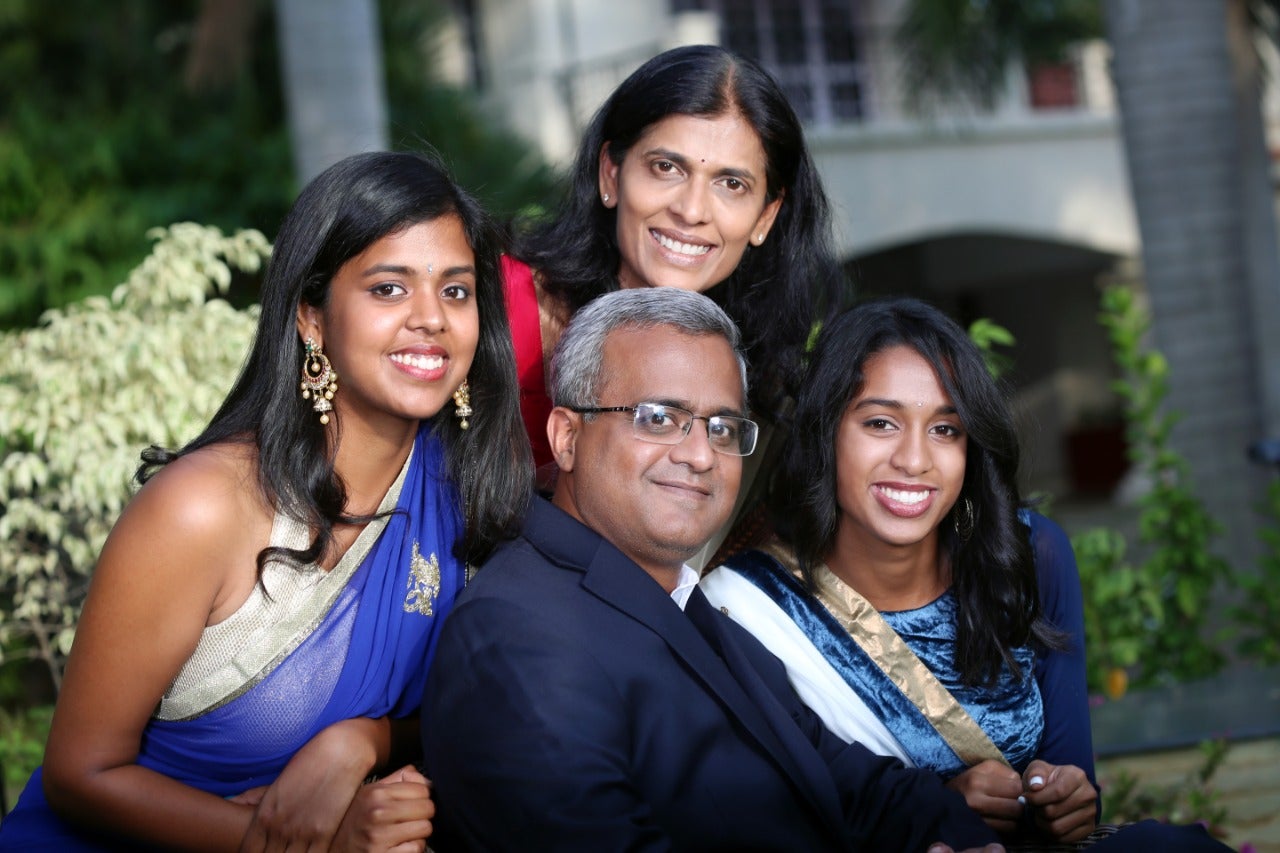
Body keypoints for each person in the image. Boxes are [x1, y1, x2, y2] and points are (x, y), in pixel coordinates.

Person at [0, 151, 531, 851]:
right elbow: (82, 772)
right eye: (388, 288)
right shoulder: (203, 508)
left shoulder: (467, 488)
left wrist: (363, 739)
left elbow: (473, 702)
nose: (431, 318)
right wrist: (316, 845)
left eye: (456, 291)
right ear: (312, 316)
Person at [421, 288, 1001, 852]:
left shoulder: (679, 597)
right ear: (566, 437)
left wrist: (957, 834)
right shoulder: (516, 633)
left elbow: (842, 781)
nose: (700, 456)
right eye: (658, 418)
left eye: (722, 428)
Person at [701, 296, 1233, 851]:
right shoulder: (747, 609)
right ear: (826, 433)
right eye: (881, 423)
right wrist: (936, 809)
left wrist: (1066, 798)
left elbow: (1076, 789)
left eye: (946, 430)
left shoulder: (1025, 555)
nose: (914, 460)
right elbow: (771, 821)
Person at [503, 44, 844, 559]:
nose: (690, 210)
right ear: (611, 176)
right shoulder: (506, 311)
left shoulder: (762, 397)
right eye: (666, 167)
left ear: (765, 218)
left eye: (731, 184)